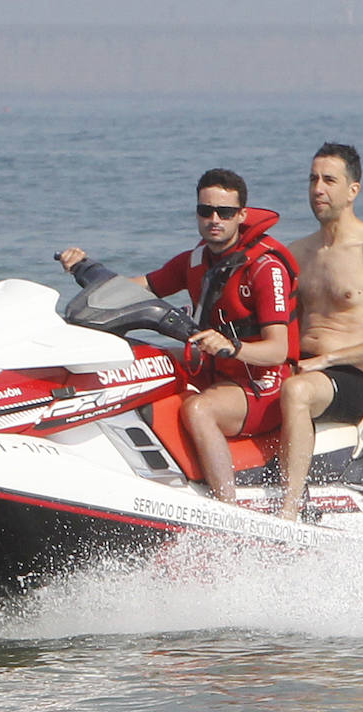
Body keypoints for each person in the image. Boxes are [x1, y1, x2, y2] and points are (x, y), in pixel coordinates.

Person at [58, 168, 298, 503]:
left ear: (241, 215)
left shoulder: (265, 269)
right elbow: (132, 289)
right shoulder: (196, 260)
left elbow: (277, 350)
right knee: (140, 363)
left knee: (198, 410)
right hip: (214, 373)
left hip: (263, 385)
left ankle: (226, 507)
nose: (214, 219)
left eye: (225, 213)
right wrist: (84, 267)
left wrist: (233, 347)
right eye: (206, 211)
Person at [277, 142, 363, 521]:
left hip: (350, 376)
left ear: (353, 190)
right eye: (312, 179)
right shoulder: (297, 252)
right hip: (303, 365)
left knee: (296, 391)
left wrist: (329, 358)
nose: (317, 188)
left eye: (329, 180)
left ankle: (290, 508)